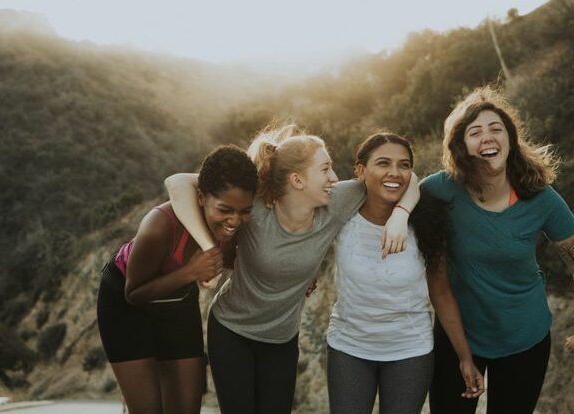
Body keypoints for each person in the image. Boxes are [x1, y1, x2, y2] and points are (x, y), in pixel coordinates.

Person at [165, 125, 418, 414]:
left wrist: (401, 215)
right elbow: (177, 183)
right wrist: (209, 247)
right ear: (297, 179)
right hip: (232, 331)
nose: (334, 178)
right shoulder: (256, 206)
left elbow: (404, 179)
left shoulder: (336, 202)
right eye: (325, 170)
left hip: (281, 340)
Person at [424, 86, 574, 414]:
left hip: (525, 339)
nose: (488, 137)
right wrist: (397, 217)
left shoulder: (540, 197)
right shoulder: (442, 189)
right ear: (461, 146)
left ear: (510, 138)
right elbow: (399, 188)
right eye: (475, 132)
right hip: (458, 337)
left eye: (496, 129)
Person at [326, 133, 484, 414]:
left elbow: (441, 292)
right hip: (349, 346)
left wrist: (464, 356)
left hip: (409, 350)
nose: (394, 173)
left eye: (404, 165)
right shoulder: (342, 213)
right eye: (383, 163)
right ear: (361, 171)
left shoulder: (427, 223)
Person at [96, 145, 258, 414]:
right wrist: (190, 273)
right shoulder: (159, 225)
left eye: (244, 211)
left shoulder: (234, 227)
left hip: (178, 303)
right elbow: (133, 294)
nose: (235, 220)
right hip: (125, 307)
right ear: (201, 197)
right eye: (225, 209)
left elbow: (241, 261)